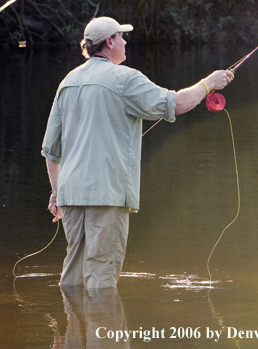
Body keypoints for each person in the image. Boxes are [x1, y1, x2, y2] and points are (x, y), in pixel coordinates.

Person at [41, 16, 234, 289]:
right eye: (121, 36)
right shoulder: (124, 78)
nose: (125, 41)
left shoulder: (68, 82)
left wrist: (57, 192)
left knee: (72, 278)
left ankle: (73, 326)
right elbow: (176, 104)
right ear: (109, 42)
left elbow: (51, 151)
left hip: (71, 196)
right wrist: (207, 84)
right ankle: (102, 330)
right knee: (101, 279)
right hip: (106, 195)